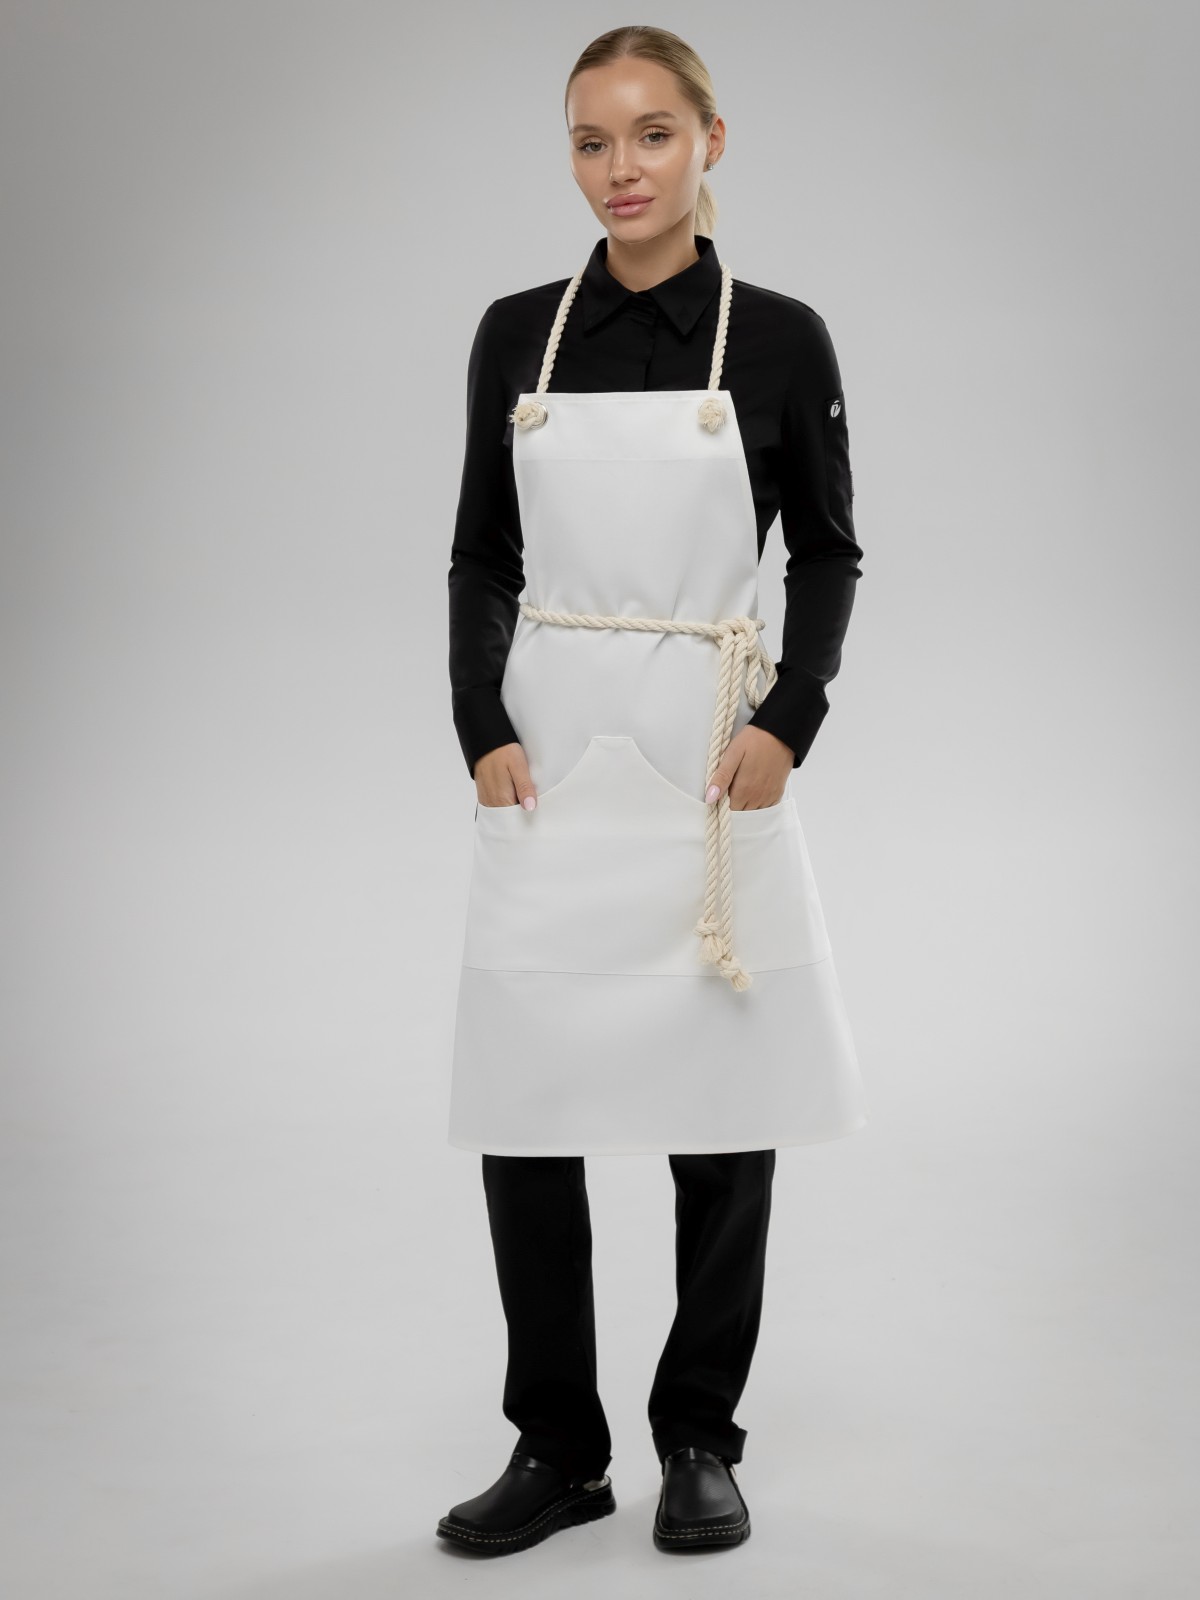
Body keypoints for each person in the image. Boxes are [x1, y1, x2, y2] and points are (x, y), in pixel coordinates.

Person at [438, 24, 869, 1558]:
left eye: (651, 135)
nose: (620, 169)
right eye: (590, 140)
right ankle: (557, 1445)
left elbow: (828, 550)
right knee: (524, 1097)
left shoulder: (782, 340)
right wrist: (478, 718)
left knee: (721, 1108)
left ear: (710, 142)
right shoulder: (515, 335)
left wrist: (790, 720)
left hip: (707, 753)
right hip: (551, 751)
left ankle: (699, 1436)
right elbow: (482, 550)